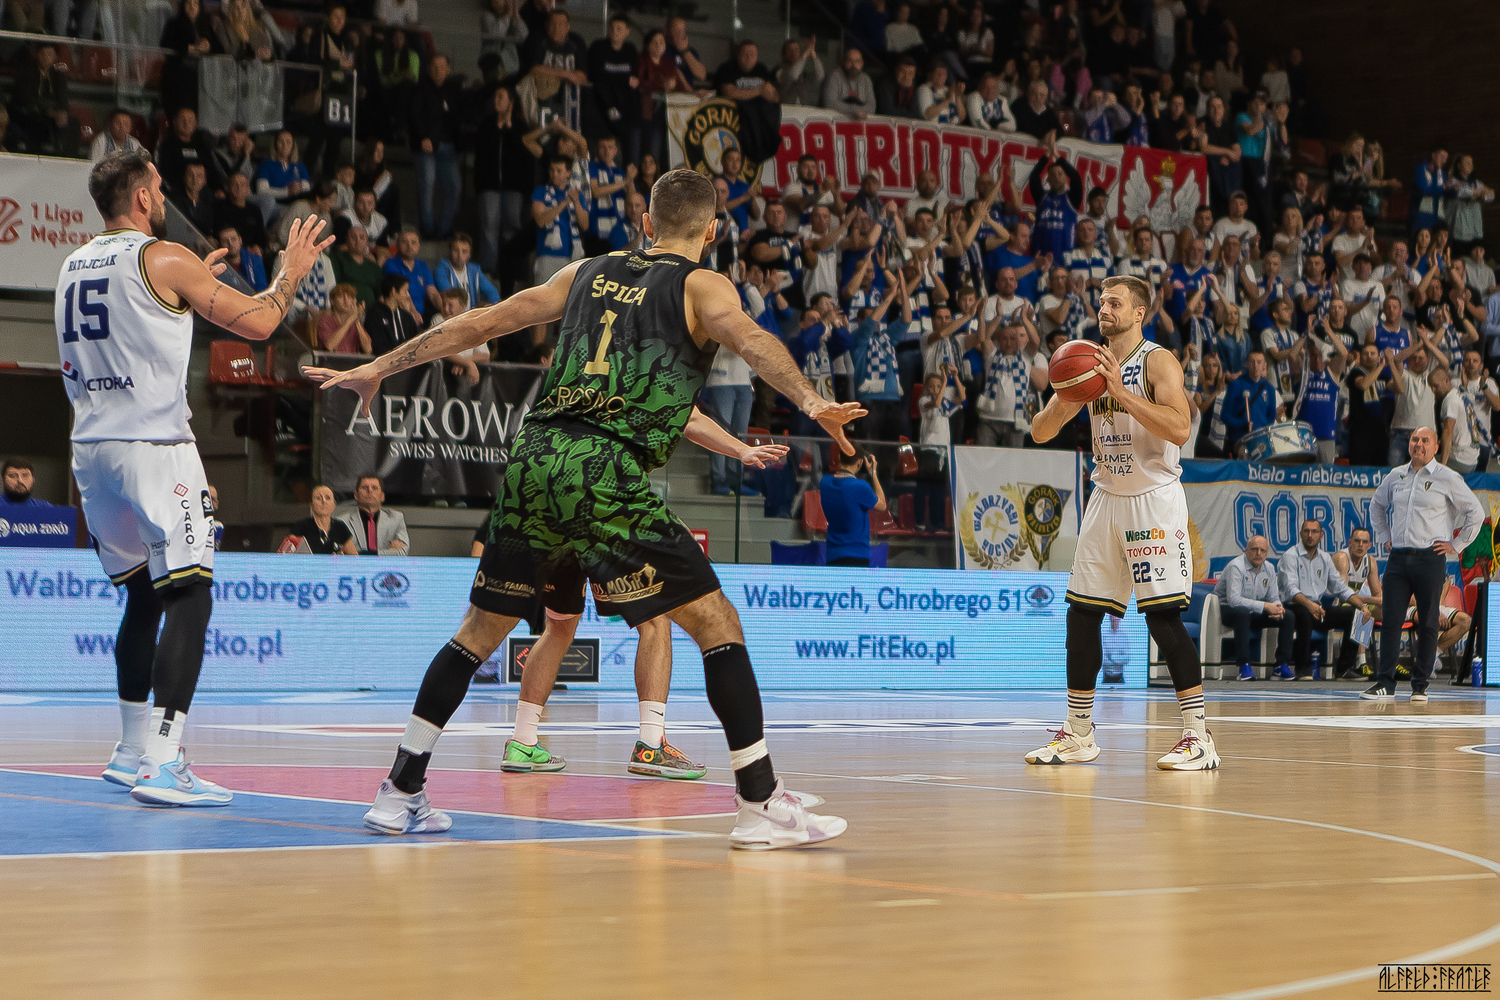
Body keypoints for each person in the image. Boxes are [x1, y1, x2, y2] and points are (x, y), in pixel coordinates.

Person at [308, 169, 857, 848]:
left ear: (647, 223)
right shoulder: (702, 285)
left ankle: (399, 792)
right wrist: (811, 400)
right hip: (601, 466)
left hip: (534, 457)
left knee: (478, 631)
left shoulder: (587, 271)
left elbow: (485, 320)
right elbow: (752, 341)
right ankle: (760, 803)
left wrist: (379, 366)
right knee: (717, 622)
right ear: (712, 230)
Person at [64, 151, 332, 806]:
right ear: (143, 199)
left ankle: (131, 750)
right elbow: (263, 321)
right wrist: (290, 273)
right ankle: (164, 761)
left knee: (142, 596)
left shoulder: (74, 264)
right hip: (155, 447)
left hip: (92, 449)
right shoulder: (163, 258)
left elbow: (137, 323)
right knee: (190, 594)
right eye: (159, 190)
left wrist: (185, 292)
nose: (164, 199)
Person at [489, 409, 791, 778]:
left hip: (550, 505)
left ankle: (522, 741)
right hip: (603, 506)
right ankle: (651, 745)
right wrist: (741, 450)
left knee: (558, 626)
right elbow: (691, 419)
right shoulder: (644, 380)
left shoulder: (576, 383)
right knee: (655, 620)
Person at [1025, 275, 1219, 771]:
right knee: (1081, 613)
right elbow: (1040, 432)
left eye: (1115, 302)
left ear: (1138, 313)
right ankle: (1079, 733)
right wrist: (1066, 396)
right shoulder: (1090, 361)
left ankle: (1199, 737)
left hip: (1152, 499)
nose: (1104, 308)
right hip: (1106, 496)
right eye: (1101, 302)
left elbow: (1180, 428)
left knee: (1162, 618)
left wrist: (1120, 392)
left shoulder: (1157, 361)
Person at [1365, 427, 1485, 703]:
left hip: (1430, 558)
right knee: (1391, 620)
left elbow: (1475, 513)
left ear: (1435, 447)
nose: (1418, 444)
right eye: (1414, 439)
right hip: (1398, 558)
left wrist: (1456, 545)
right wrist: (1384, 536)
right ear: (1409, 444)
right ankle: (1385, 684)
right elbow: (1376, 506)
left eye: (1425, 440)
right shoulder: (1396, 475)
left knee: (1429, 622)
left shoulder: (1447, 477)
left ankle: (1420, 686)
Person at [1280, 519, 1373, 680]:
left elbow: (1341, 588)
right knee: (1304, 615)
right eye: (1307, 531)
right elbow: (1290, 590)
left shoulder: (1324, 558)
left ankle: (1345, 668)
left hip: (1317, 608)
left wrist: (1362, 606)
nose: (1310, 535)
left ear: (1321, 535)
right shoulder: (1290, 556)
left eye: (1314, 532)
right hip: (1294, 607)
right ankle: (1303, 669)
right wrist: (1309, 605)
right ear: (1301, 534)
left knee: (1356, 615)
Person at [1215, 536, 1295, 681]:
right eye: (1254, 549)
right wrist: (1265, 606)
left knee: (1288, 616)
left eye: (1262, 550)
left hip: (1253, 612)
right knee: (1242, 612)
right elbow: (1234, 600)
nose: (1258, 553)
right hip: (1226, 611)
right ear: (1246, 550)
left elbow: (1273, 597)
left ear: (1267, 553)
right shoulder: (1236, 566)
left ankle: (1281, 665)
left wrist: (1278, 607)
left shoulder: (1269, 568)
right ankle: (1244, 666)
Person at [410, 54, 463, 240]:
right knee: (427, 185)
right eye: (435, 66)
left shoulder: (453, 90)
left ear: (448, 69)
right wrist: (423, 136)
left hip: (448, 146)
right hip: (427, 147)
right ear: (428, 69)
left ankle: (444, 228)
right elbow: (414, 115)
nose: (438, 70)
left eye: (442, 66)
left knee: (454, 187)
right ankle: (428, 228)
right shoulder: (421, 90)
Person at [820, 451, 887, 567]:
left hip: (832, 555)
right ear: (860, 462)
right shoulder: (860, 486)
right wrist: (873, 473)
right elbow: (882, 505)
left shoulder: (824, 482)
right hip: (857, 555)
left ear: (839, 457)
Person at [1331, 526, 1382, 678]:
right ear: (1350, 543)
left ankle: (1390, 661)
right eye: (1357, 541)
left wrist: (1370, 601)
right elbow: (1344, 594)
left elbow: (1379, 596)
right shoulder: (1342, 558)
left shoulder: (1370, 561)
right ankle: (1361, 662)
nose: (1360, 545)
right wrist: (1367, 601)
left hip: (1356, 603)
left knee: (1387, 611)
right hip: (1334, 605)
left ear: (1369, 545)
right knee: (1360, 611)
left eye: (1364, 542)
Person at [1220, 349, 1280, 454]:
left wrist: (1262, 432)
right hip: (1241, 440)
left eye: (1259, 362)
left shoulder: (1269, 389)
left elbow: (1271, 417)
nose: (1256, 366)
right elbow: (1225, 415)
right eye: (1252, 362)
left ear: (1264, 365)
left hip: (1261, 441)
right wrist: (1241, 424)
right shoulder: (1236, 385)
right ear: (1247, 364)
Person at [339, 474, 410, 556]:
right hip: (357, 565)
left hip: (386, 565)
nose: (370, 490)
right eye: (364, 487)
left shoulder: (396, 518)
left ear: (382, 496)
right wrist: (389, 552)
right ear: (356, 495)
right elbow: (343, 553)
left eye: (374, 488)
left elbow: (402, 552)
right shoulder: (342, 522)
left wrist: (362, 553)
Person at [1431, 365, 1481, 473]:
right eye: (1431, 387)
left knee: (1423, 462)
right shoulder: (1460, 396)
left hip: (1460, 458)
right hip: (1472, 458)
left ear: (1447, 381)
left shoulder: (1450, 400)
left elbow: (1448, 432)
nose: (1433, 390)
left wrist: (1442, 467)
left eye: (1436, 386)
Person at [383, 230, 441, 321]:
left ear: (419, 246)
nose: (409, 246)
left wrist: (443, 310)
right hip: (401, 315)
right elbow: (401, 294)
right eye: (404, 242)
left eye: (413, 243)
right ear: (397, 245)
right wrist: (413, 312)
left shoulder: (422, 266)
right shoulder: (391, 264)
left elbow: (432, 293)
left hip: (421, 315)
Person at [434, 233, 500, 312]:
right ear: (450, 251)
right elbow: (450, 297)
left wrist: (494, 310)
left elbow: (492, 291)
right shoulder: (442, 269)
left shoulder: (474, 270)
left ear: (469, 254)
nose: (460, 255)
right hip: (451, 314)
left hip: (471, 314)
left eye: (464, 251)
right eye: (456, 250)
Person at [286, 486, 358, 554]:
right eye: (318, 498)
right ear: (311, 504)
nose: (323, 501)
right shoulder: (301, 527)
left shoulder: (340, 527)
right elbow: (288, 554)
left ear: (334, 505)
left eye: (328, 498)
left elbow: (354, 558)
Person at [366, 273, 423, 354]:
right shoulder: (374, 314)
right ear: (393, 291)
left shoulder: (407, 317)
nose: (408, 295)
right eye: (405, 291)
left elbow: (416, 344)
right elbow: (377, 346)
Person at [331, 224, 382, 307]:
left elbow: (379, 294)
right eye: (353, 237)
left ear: (367, 241)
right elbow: (332, 287)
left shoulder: (374, 267)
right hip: (345, 309)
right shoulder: (337, 259)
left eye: (361, 237)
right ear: (347, 240)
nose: (358, 241)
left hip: (370, 310)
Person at [315, 283, 370, 353]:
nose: (346, 300)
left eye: (350, 297)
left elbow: (368, 349)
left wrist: (357, 322)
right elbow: (329, 346)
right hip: (331, 360)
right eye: (341, 296)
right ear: (332, 301)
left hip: (352, 360)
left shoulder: (355, 324)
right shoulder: (325, 321)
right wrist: (351, 319)